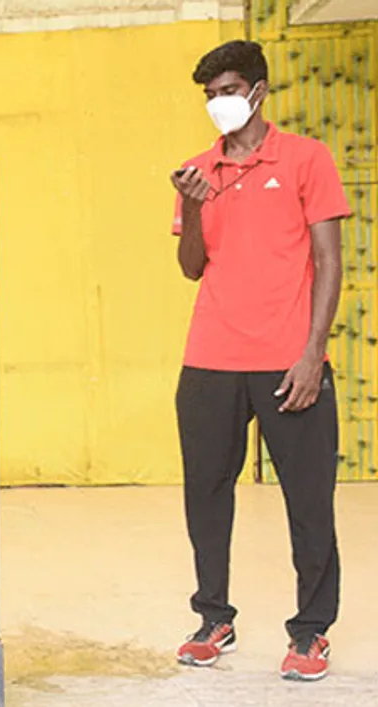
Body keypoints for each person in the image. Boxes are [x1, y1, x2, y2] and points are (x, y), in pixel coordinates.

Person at [169, 40, 350, 682]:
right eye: (210, 94)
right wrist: (192, 204)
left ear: (258, 91)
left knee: (309, 501)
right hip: (210, 360)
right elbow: (192, 267)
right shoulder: (196, 171)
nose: (219, 103)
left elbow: (329, 261)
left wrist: (312, 354)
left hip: (287, 361)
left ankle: (310, 632)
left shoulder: (306, 159)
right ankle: (213, 618)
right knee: (207, 496)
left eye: (228, 89)